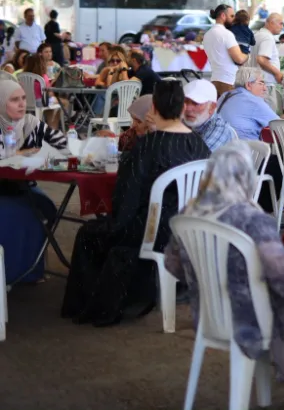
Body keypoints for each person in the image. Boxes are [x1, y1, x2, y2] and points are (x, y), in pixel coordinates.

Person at [164, 142, 284, 399]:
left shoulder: (188, 213)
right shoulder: (252, 219)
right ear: (247, 177)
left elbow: (171, 263)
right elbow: (282, 275)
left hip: (209, 315)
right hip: (251, 318)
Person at [61, 81, 211, 326]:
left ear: (153, 107)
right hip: (191, 230)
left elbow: (126, 198)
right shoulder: (200, 145)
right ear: (182, 108)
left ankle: (86, 305)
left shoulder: (147, 146)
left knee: (88, 233)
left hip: (152, 231)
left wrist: (117, 223)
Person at [0, 80, 67, 284]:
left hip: (22, 187)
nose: (21, 104)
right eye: (14, 100)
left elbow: (62, 143)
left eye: (23, 99)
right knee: (16, 214)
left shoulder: (29, 123)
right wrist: (26, 151)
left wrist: (47, 150)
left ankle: (31, 270)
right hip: (2, 191)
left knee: (45, 207)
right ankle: (8, 275)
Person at [218, 67, 284, 141]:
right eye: (261, 83)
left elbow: (272, 121)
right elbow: (279, 127)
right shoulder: (253, 101)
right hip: (246, 153)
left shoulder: (225, 96)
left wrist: (282, 118)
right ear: (249, 85)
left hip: (218, 151)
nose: (265, 88)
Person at [182, 79, 237, 152]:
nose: (188, 108)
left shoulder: (220, 130)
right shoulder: (184, 122)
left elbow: (197, 161)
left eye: (196, 103)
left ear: (212, 107)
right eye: (185, 101)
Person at [204, 4, 247, 95]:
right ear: (223, 16)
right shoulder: (226, 34)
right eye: (232, 16)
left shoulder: (207, 34)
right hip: (228, 81)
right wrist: (247, 54)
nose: (234, 19)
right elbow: (239, 58)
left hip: (215, 79)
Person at [254, 13, 284, 85]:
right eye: (281, 24)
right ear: (271, 23)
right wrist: (277, 73)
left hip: (257, 80)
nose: (282, 27)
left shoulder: (257, 34)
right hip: (265, 83)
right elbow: (261, 59)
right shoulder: (267, 37)